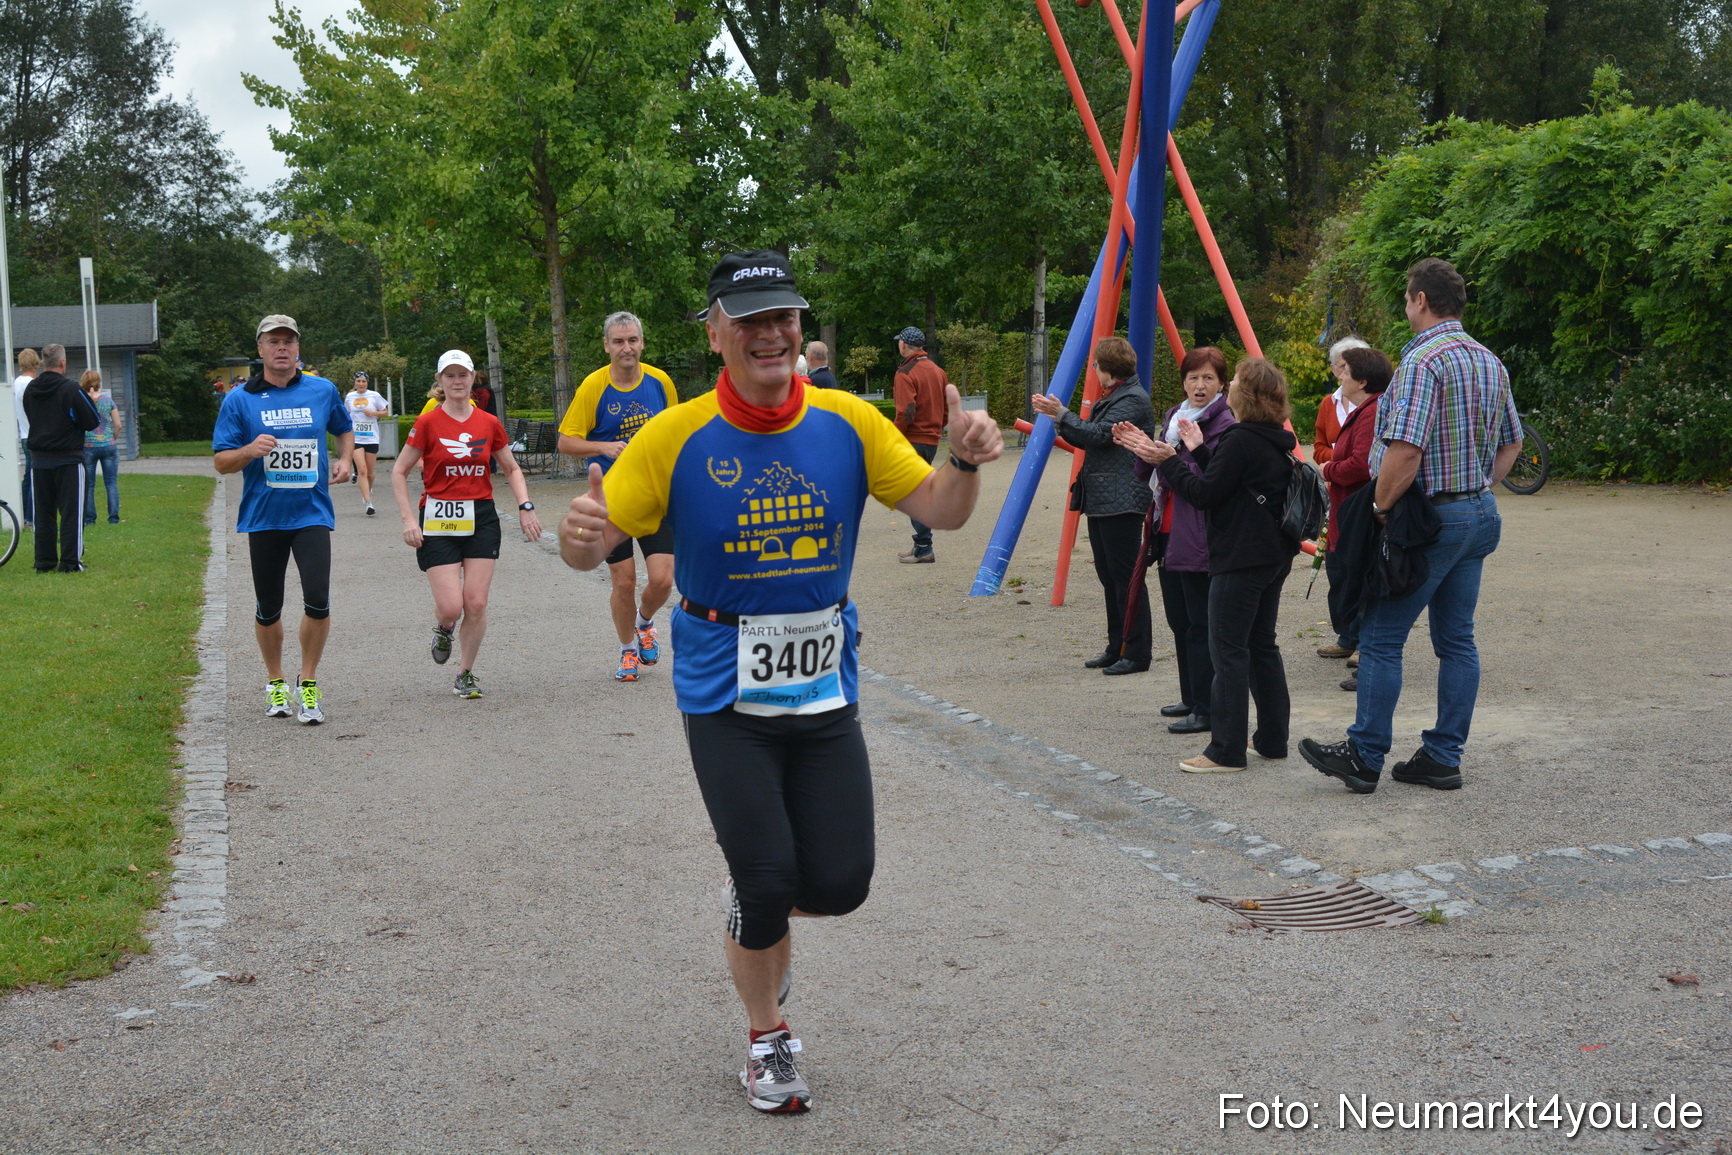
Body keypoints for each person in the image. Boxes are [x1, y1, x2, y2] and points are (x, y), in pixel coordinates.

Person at [558, 250, 1003, 1115]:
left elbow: (943, 510)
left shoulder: (848, 421)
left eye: (784, 317)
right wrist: (580, 539)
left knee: (839, 882)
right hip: (722, 689)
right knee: (768, 879)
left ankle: (752, 904)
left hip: (823, 683)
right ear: (715, 333)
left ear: (801, 328)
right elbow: (593, 544)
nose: (771, 333)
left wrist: (964, 458)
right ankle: (768, 1036)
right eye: (750, 320)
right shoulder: (673, 435)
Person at [1301, 258, 1522, 794]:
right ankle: (1442, 757)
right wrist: (1477, 486)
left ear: (1421, 299)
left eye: (1406, 298)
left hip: (1429, 518)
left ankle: (1364, 755)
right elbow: (1513, 442)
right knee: (1457, 640)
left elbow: (1404, 451)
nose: (1405, 306)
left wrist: (1380, 509)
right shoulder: (1489, 360)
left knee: (1380, 637)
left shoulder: (1422, 360)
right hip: (1477, 512)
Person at [1132, 358, 1299, 774]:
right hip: (1272, 552)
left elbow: (1204, 494)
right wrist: (1198, 450)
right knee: (1262, 645)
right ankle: (1272, 738)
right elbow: (1230, 482)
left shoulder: (1241, 438)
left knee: (1228, 650)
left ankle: (1226, 750)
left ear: (1247, 394)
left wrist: (1168, 460)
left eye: (1235, 382)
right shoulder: (1271, 436)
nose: (1229, 387)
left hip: (1241, 556)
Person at [212, 315, 354, 725]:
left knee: (318, 600)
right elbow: (221, 462)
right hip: (265, 516)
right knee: (269, 606)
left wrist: (346, 458)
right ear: (260, 349)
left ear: (297, 348)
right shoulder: (239, 399)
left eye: (288, 341)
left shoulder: (321, 389)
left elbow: (343, 428)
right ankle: (275, 680)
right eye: (273, 341)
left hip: (311, 513)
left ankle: (307, 682)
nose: (282, 348)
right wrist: (248, 450)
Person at [392, 350, 541, 699]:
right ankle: (444, 627)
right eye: (450, 375)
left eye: (463, 375)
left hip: (481, 517)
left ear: (473, 379)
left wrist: (525, 506)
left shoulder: (488, 423)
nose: (457, 381)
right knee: (451, 607)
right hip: (438, 518)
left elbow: (512, 468)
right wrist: (409, 520)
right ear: (440, 381)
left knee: (475, 603)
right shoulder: (428, 423)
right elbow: (399, 471)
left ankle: (465, 672)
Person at [1115, 347, 1235, 735]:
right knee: (1179, 621)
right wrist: (1143, 449)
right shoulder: (1174, 417)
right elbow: (1152, 475)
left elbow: (1209, 480)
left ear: (1222, 384)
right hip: (1166, 529)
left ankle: (1206, 707)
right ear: (1183, 382)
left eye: (1208, 378)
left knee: (1200, 624)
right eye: (1193, 377)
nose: (1200, 385)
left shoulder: (1224, 424)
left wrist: (1168, 458)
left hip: (1198, 534)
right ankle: (1190, 696)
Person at [556, 311, 680, 682]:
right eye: (619, 341)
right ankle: (627, 651)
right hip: (613, 500)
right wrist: (603, 447)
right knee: (624, 582)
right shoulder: (594, 386)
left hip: (655, 497)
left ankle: (644, 623)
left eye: (632, 340)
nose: (627, 348)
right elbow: (565, 442)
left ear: (642, 343)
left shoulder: (660, 381)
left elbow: (676, 432)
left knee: (663, 580)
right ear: (607, 346)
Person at [1031, 337, 1157, 675]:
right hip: (1106, 498)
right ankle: (1117, 646)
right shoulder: (1118, 396)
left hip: (1122, 499)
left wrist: (1062, 414)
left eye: (1096, 364)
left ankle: (1137, 652)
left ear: (1106, 368)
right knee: (1110, 576)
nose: (1094, 369)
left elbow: (1100, 434)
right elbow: (1089, 436)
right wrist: (1060, 417)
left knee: (1125, 579)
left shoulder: (1132, 399)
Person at [1319, 346, 1393, 692]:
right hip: (1349, 509)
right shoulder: (1366, 408)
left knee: (1361, 580)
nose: (1340, 376)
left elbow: (1362, 464)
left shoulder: (1371, 411)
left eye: (1345, 370)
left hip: (1360, 511)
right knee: (1344, 575)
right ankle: (1351, 639)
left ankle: (1367, 651)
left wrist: (1328, 469)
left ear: (1362, 380)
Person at [23, 345, 99, 572]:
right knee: (71, 513)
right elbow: (92, 421)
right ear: (63, 363)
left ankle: (44, 562)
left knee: (43, 513)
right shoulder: (71, 390)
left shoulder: (31, 389)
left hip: (39, 459)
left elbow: (30, 415)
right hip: (68, 458)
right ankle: (70, 562)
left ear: (43, 363)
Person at [891, 326, 949, 563]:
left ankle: (924, 547)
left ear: (904, 344)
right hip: (931, 440)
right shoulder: (938, 371)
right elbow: (946, 409)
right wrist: (936, 429)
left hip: (913, 440)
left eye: (899, 342)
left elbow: (905, 411)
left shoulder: (905, 372)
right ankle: (920, 544)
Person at [1312, 336, 1371, 468]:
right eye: (1343, 366)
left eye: (1355, 366)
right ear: (1333, 369)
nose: (1348, 372)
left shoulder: (1376, 402)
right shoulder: (1328, 403)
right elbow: (1319, 450)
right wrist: (1342, 457)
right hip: (1335, 478)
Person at [345, 371, 390, 515]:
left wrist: (373, 413)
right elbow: (346, 414)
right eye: (358, 381)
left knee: (370, 473)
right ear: (354, 383)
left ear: (367, 383)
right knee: (362, 470)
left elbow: (385, 412)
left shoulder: (374, 395)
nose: (361, 384)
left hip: (371, 437)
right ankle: (368, 503)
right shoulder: (350, 397)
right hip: (355, 438)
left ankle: (367, 490)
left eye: (363, 381)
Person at [80, 370, 121, 526]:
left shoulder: (81, 401)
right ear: (99, 382)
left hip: (88, 446)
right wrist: (113, 437)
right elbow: (118, 425)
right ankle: (113, 518)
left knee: (89, 485)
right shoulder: (108, 401)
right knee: (111, 483)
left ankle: (90, 519)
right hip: (108, 445)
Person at [13, 348, 39, 527]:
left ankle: (24, 514)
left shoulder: (16, 382)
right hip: (34, 433)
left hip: (23, 433)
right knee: (35, 477)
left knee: (28, 477)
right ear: (36, 363)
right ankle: (31, 516)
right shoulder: (32, 384)